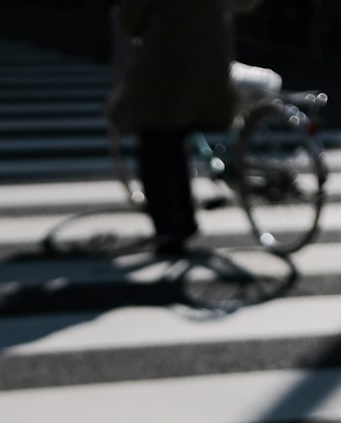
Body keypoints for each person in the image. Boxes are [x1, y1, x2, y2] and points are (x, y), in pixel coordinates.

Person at [107, 0, 258, 254]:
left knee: (156, 143)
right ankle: (184, 217)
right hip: (213, 60)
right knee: (175, 141)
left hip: (168, 63)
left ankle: (170, 227)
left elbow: (130, 20)